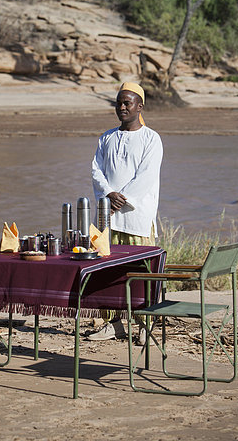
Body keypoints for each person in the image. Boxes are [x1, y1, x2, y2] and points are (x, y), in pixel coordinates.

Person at [88, 81, 163, 340]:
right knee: (108, 271)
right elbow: (96, 170)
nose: (121, 107)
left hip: (137, 218)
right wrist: (108, 194)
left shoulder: (151, 139)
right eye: (118, 102)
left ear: (139, 106)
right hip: (108, 216)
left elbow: (146, 176)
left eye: (127, 103)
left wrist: (123, 198)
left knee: (142, 272)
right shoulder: (106, 137)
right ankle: (115, 323)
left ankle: (145, 325)